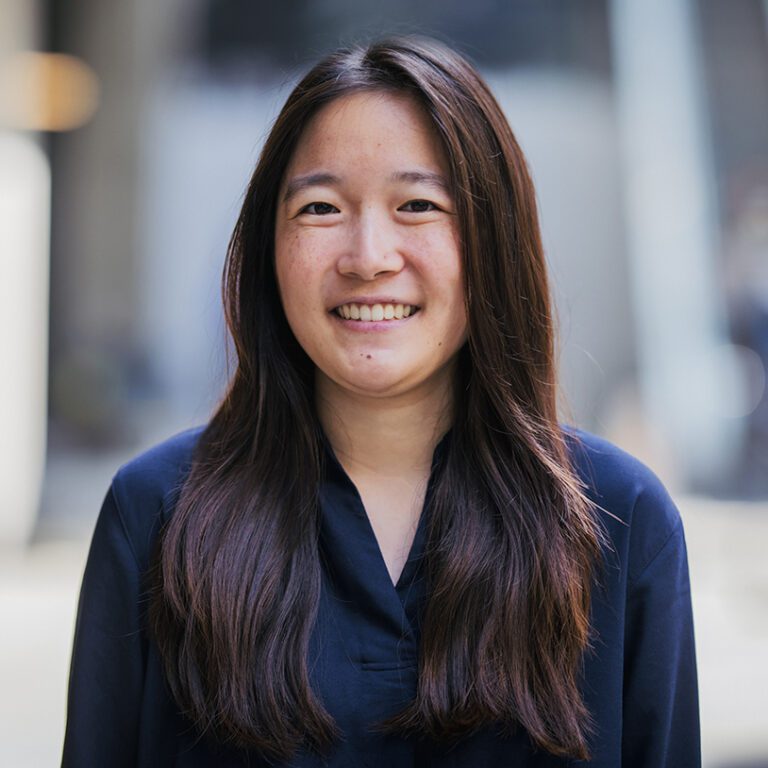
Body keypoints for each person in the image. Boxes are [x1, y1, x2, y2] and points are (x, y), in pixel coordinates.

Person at [61, 37, 700, 767]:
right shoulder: (155, 517)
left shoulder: (620, 521)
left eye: (419, 204)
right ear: (268, 246)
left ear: (495, 239)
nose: (368, 256)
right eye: (322, 207)